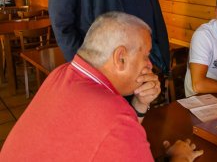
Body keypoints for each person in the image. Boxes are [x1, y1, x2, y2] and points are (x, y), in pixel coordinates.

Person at [0, 12, 203, 161]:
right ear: (120, 58)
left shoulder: (61, 74)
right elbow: (114, 126)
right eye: (146, 55)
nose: (150, 65)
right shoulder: (115, 118)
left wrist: (140, 104)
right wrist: (179, 157)